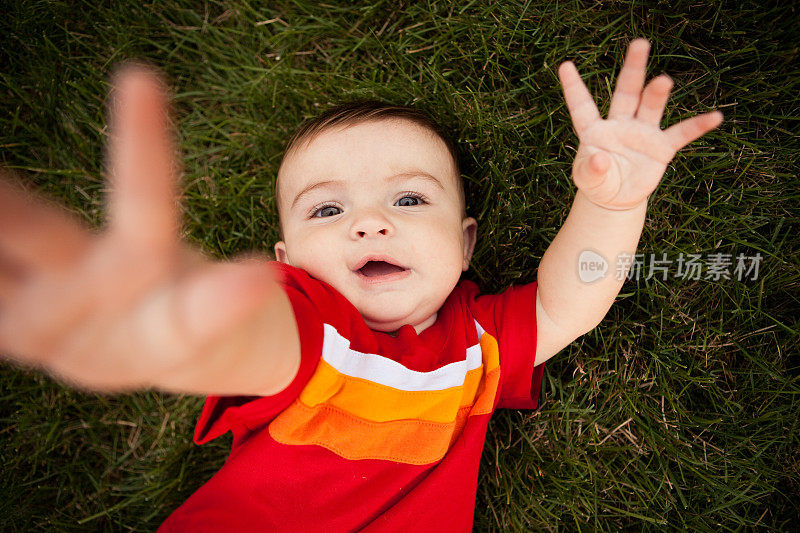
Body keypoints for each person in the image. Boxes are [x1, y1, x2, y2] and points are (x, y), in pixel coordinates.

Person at [0, 38, 723, 531]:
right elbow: (255, 342)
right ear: (287, 258)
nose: (370, 223)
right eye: (327, 208)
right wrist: (180, 335)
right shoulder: (310, 322)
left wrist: (611, 203)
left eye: (409, 200)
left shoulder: (477, 339)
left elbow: (571, 300)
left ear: (466, 243)